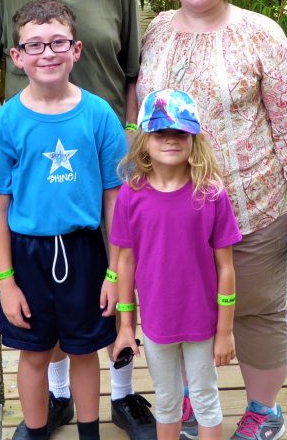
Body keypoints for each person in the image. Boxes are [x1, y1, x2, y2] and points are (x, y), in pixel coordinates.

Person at [0, 0, 154, 440]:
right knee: (45, 301)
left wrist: (131, 143)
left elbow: (131, 74)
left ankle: (121, 395)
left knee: (114, 274)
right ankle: (52, 405)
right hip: (30, 152)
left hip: (105, 152)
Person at [137, 0, 287, 440]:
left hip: (255, 202)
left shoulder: (260, 32)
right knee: (180, 303)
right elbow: (139, 111)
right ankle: (188, 401)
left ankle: (263, 410)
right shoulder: (156, 31)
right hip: (174, 207)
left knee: (256, 307)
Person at [0, 0, 126, 440]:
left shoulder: (99, 115)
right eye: (35, 45)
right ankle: (37, 429)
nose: (48, 53)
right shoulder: (5, 122)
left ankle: (89, 432)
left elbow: (115, 200)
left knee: (84, 351)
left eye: (58, 42)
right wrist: (6, 282)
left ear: (76, 50)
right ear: (17, 56)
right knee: (34, 352)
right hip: (28, 254)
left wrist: (114, 272)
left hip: (84, 250)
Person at [111, 89, 242, 440]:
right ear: (144, 140)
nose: (170, 140)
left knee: (205, 398)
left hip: (202, 321)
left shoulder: (212, 195)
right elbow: (125, 261)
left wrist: (225, 331)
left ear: (194, 138)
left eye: (180, 133)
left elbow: (226, 267)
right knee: (167, 401)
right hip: (156, 322)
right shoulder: (131, 195)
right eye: (159, 132)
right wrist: (126, 326)